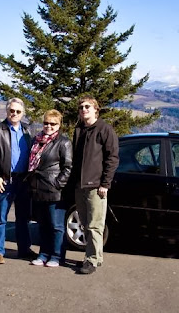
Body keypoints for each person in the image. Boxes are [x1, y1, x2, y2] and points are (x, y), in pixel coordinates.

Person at [69, 95, 118, 274]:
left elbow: (112, 158)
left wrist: (105, 183)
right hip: (79, 185)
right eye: (81, 107)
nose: (83, 109)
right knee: (84, 223)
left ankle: (92, 260)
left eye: (87, 106)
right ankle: (92, 257)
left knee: (95, 225)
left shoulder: (105, 130)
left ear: (95, 109)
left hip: (96, 186)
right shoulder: (79, 130)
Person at [0, 98, 33, 264]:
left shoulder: (27, 131)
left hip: (23, 180)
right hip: (4, 180)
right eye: (12, 111)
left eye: (18, 111)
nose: (15, 114)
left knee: (23, 218)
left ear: (22, 113)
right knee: (1, 218)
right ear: (7, 111)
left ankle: (24, 249)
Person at [27, 109, 72, 268]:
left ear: (59, 125)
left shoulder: (64, 142)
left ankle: (57, 255)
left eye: (53, 123)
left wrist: (57, 184)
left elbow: (68, 167)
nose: (49, 126)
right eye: (46, 123)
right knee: (43, 224)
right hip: (38, 188)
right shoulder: (36, 140)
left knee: (56, 226)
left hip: (54, 190)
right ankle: (43, 253)